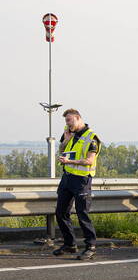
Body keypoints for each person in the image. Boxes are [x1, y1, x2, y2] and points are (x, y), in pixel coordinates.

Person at [53, 108, 101, 261]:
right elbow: (61, 151)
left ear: (78, 118)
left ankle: (90, 247)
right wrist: (66, 140)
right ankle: (70, 244)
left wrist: (70, 161)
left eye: (69, 120)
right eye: (66, 121)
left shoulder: (91, 137)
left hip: (81, 180)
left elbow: (89, 161)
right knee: (61, 212)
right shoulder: (68, 133)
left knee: (82, 214)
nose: (67, 124)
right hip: (67, 178)